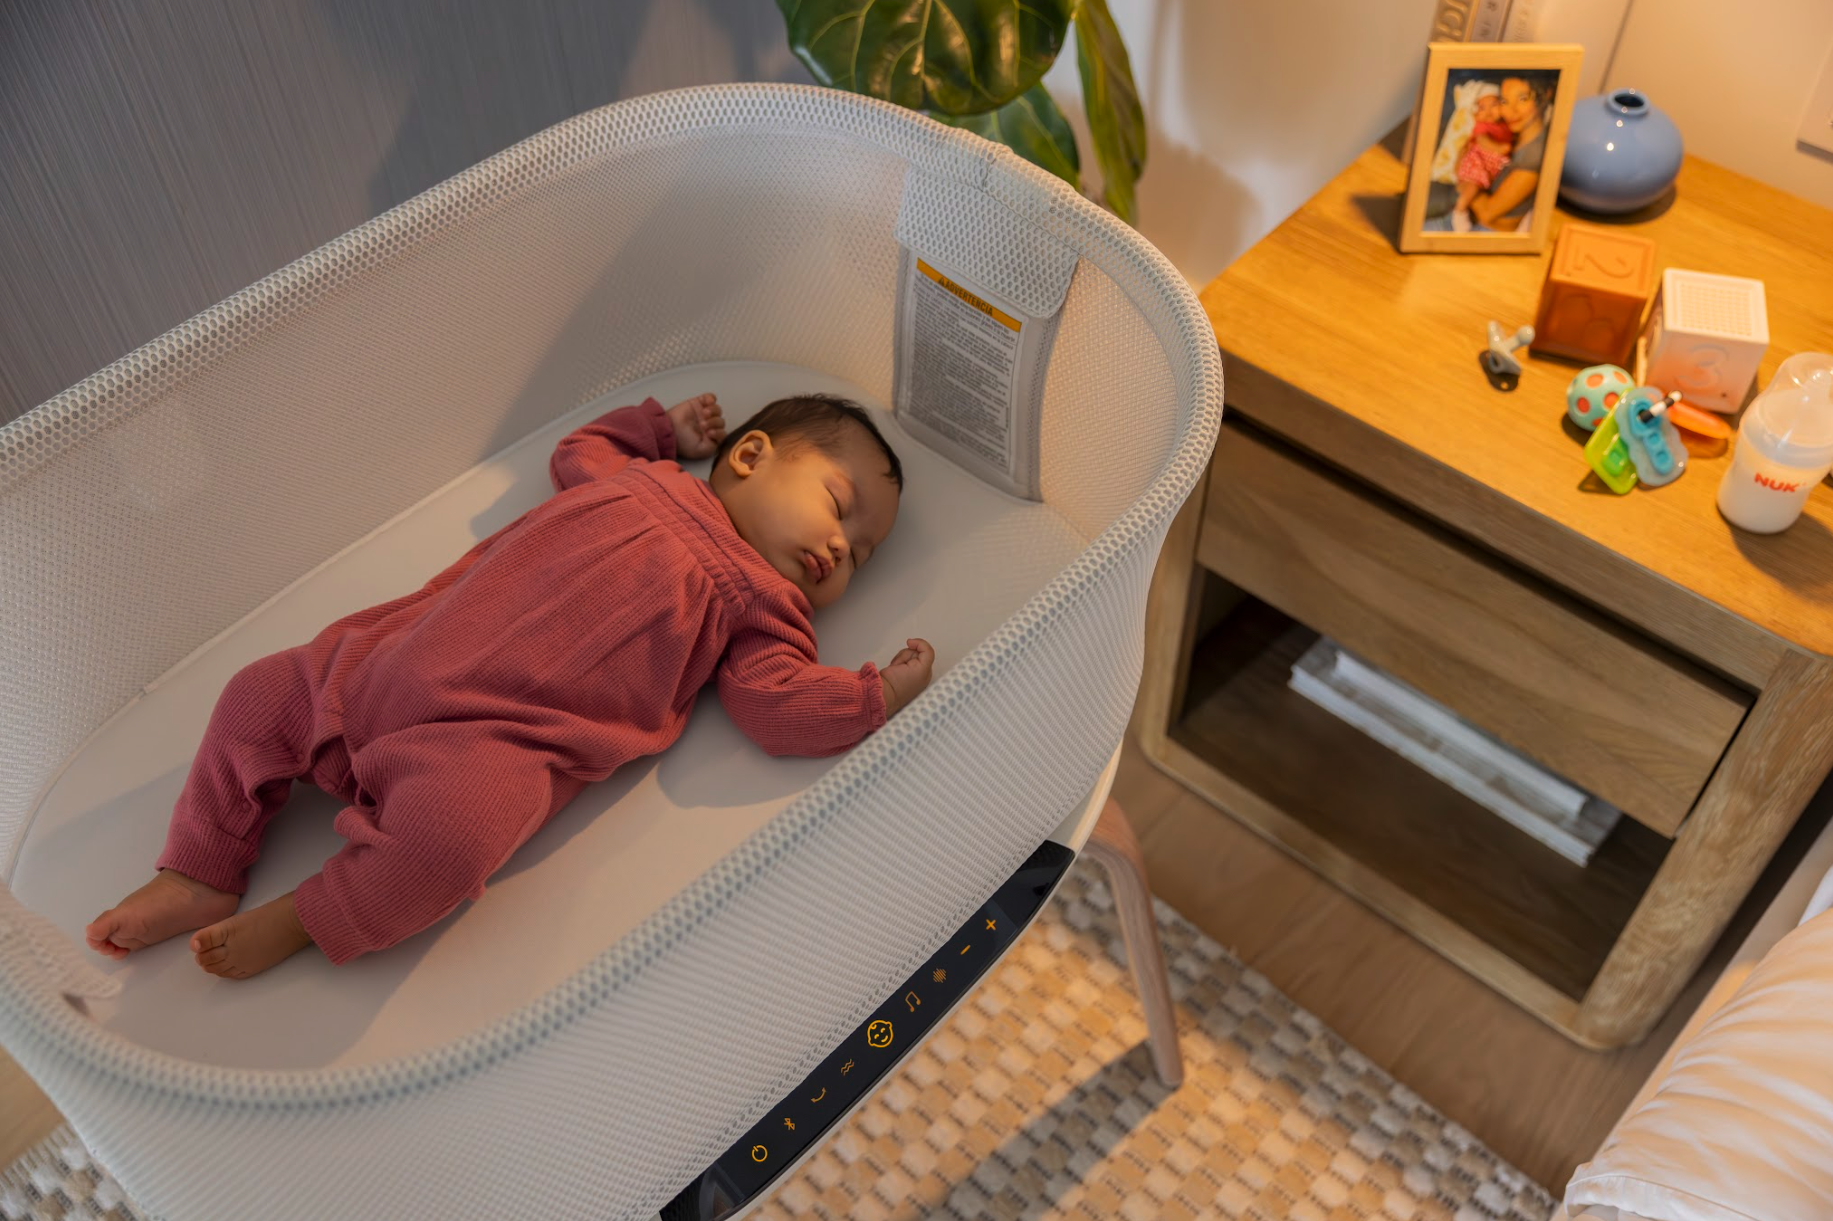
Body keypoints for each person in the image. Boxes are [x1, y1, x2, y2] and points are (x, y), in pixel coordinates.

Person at [85, 392, 935, 979]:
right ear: (749, 456)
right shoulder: (645, 479)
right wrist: (661, 427)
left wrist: (873, 696)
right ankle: (202, 866)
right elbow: (579, 451)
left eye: (860, 557)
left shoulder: (763, 603)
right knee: (256, 695)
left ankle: (309, 917)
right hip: (381, 661)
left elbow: (774, 705)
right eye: (838, 504)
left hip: (488, 746)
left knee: (450, 845)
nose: (840, 550)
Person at [1425, 74, 1552, 234]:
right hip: (1466, 215)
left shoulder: (1534, 156)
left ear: (1545, 95)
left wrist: (1464, 177)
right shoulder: (1513, 133)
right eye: (1504, 101)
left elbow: (1487, 214)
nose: (1510, 111)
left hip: (1485, 231)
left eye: (1522, 99)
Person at [1453, 91, 1516, 221]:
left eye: (1494, 105)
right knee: (1472, 187)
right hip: (1477, 162)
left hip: (1492, 165)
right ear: (1475, 115)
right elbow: (1482, 140)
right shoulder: (1481, 125)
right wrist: (1498, 148)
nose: (1489, 111)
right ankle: (1458, 213)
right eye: (1482, 108)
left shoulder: (1505, 125)